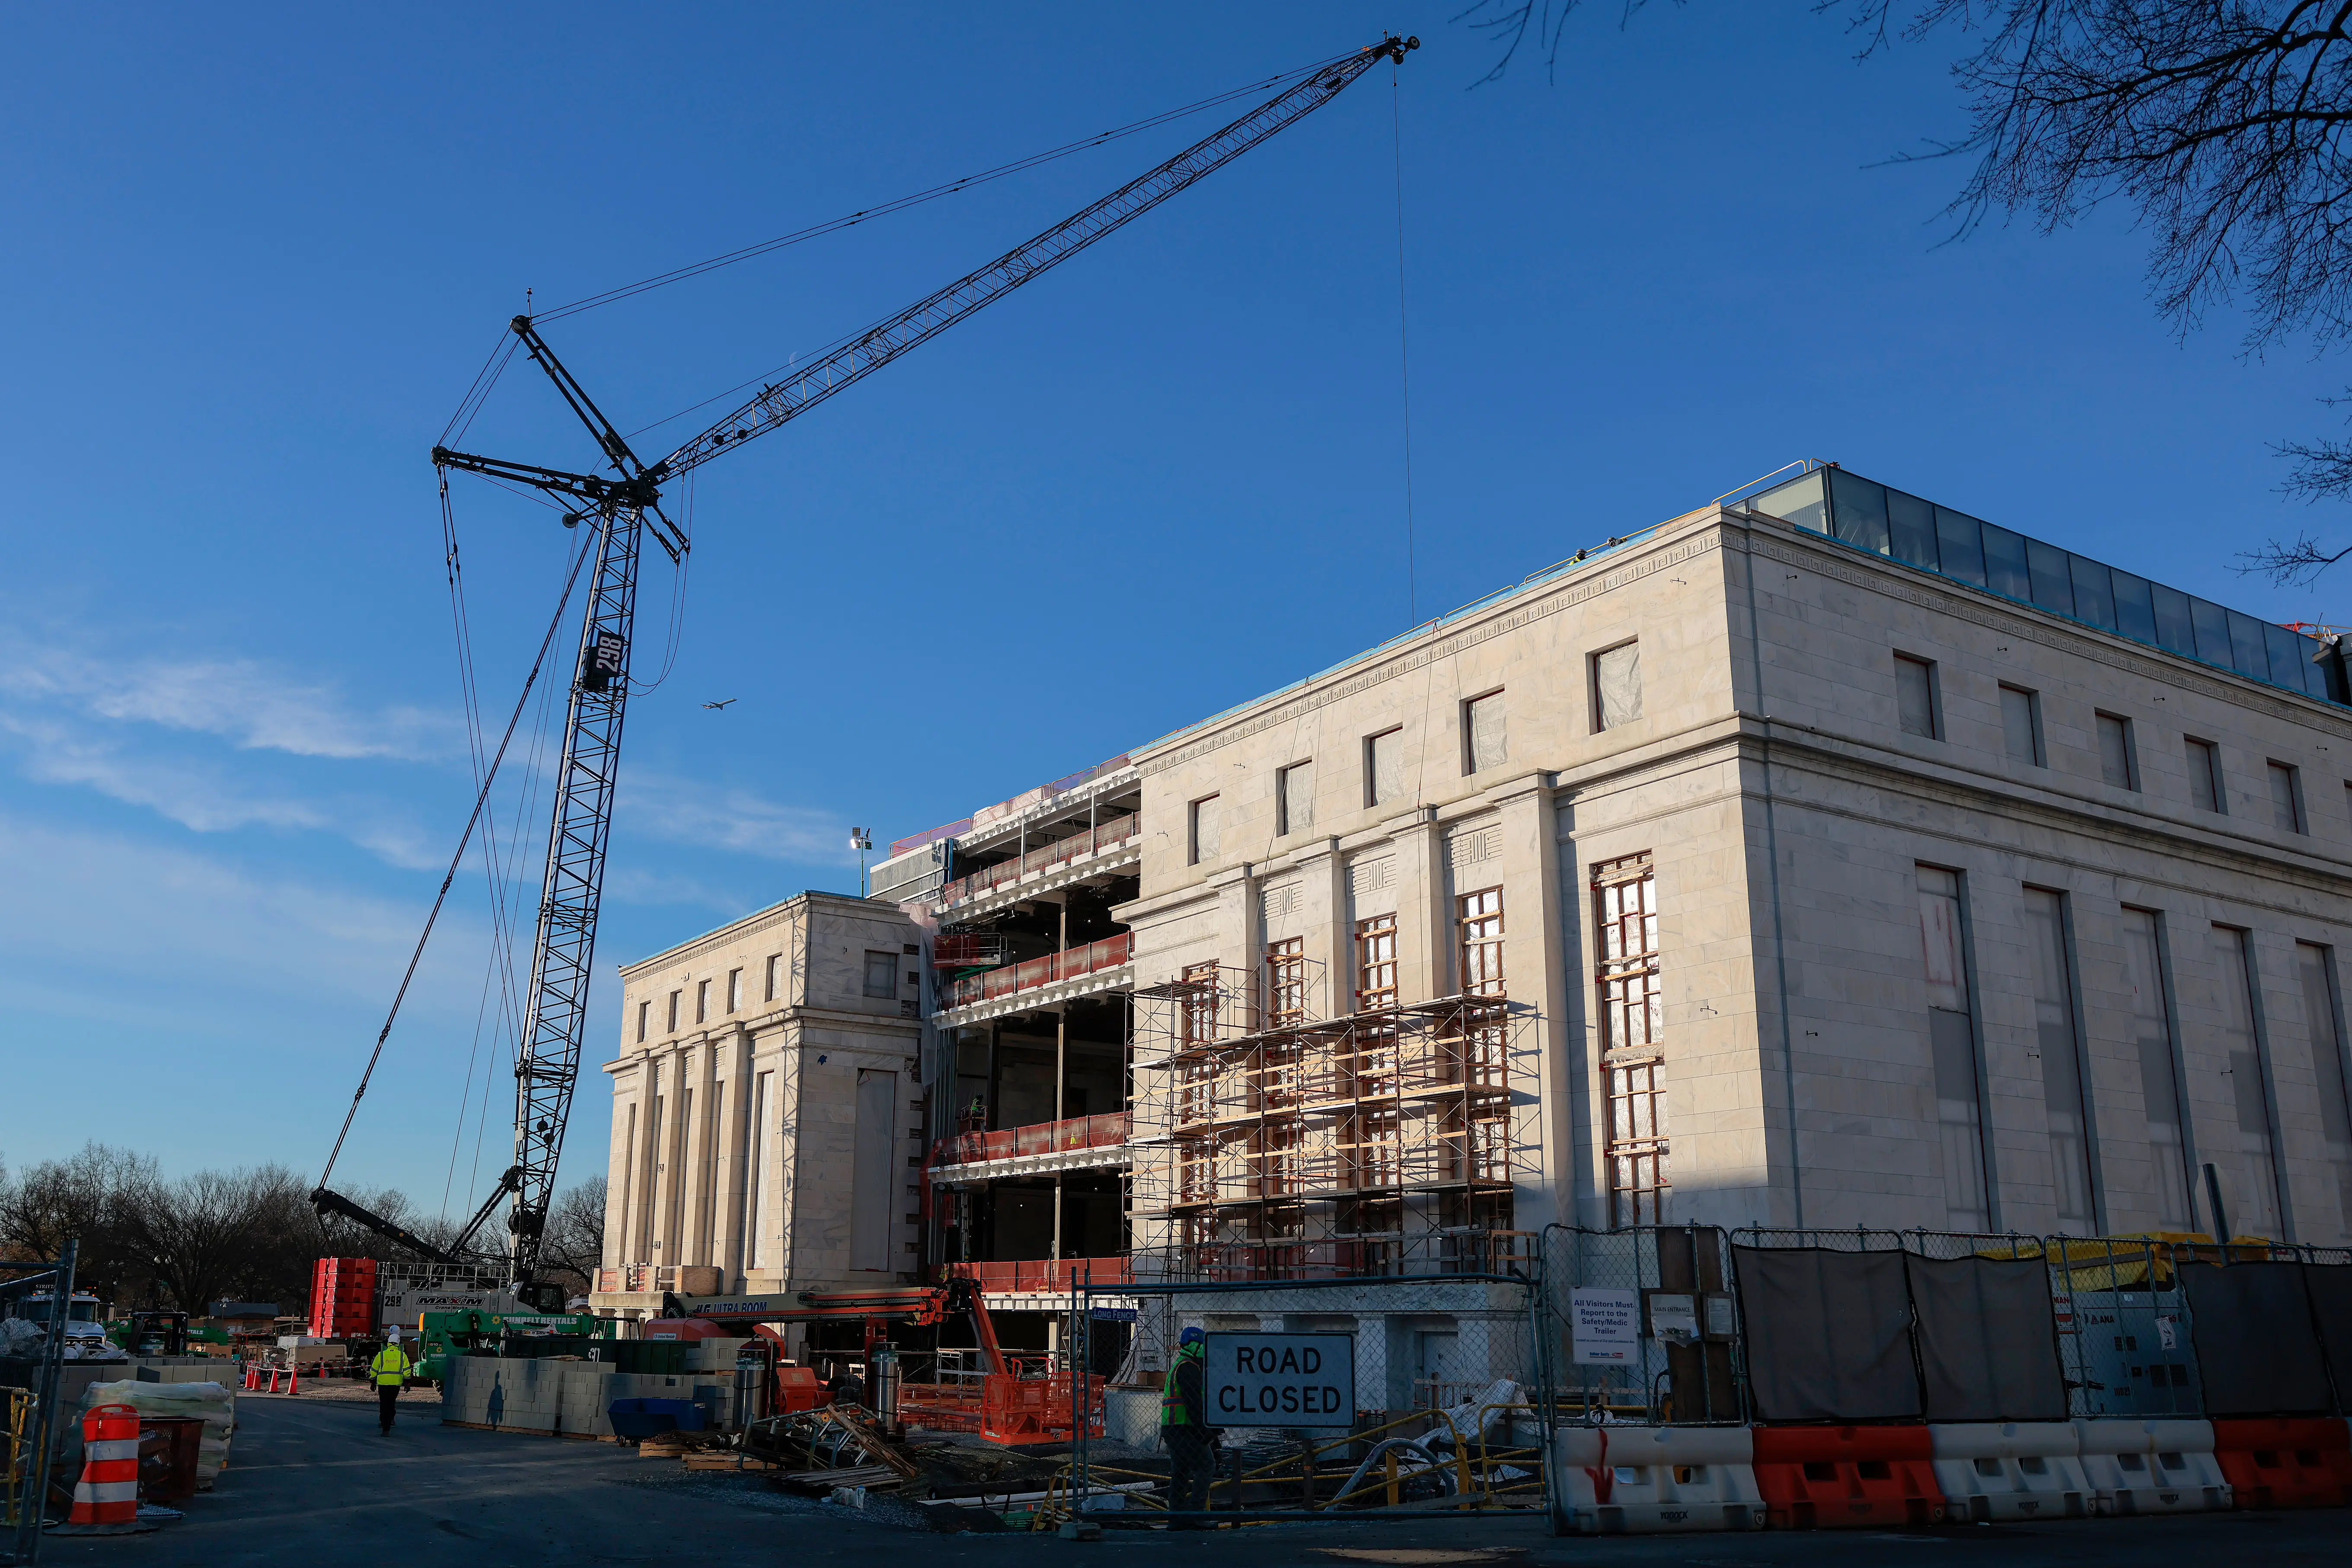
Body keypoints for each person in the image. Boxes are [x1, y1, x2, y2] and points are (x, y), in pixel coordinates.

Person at [1159, 1326, 1218, 1523]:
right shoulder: (1189, 1368)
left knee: (1181, 1471)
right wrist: (1206, 1432)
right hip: (1184, 1428)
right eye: (1203, 1346)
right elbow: (1194, 1403)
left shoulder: (1181, 1365)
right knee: (1207, 1465)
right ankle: (1195, 1515)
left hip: (1174, 1428)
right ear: (1196, 1346)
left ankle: (1176, 1519)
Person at [370, 1330, 415, 1436]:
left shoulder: (381, 1355)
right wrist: (407, 1383)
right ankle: (388, 1426)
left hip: (383, 1385)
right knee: (391, 1405)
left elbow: (374, 1370)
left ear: (389, 1343)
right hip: (395, 1385)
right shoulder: (402, 1356)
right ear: (398, 1344)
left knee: (384, 1405)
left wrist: (373, 1382)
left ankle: (383, 1423)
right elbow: (407, 1371)